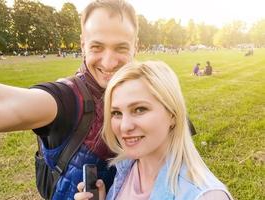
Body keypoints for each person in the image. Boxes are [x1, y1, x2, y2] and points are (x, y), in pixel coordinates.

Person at [0, 0, 138, 199]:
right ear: (83, 45)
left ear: (136, 46)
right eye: (97, 47)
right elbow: (7, 105)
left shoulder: (148, 95)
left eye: (121, 48)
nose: (109, 62)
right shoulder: (67, 98)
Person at [75, 61, 233, 200]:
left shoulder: (205, 196)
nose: (124, 126)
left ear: (172, 114)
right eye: (116, 113)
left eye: (139, 109)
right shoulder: (126, 167)